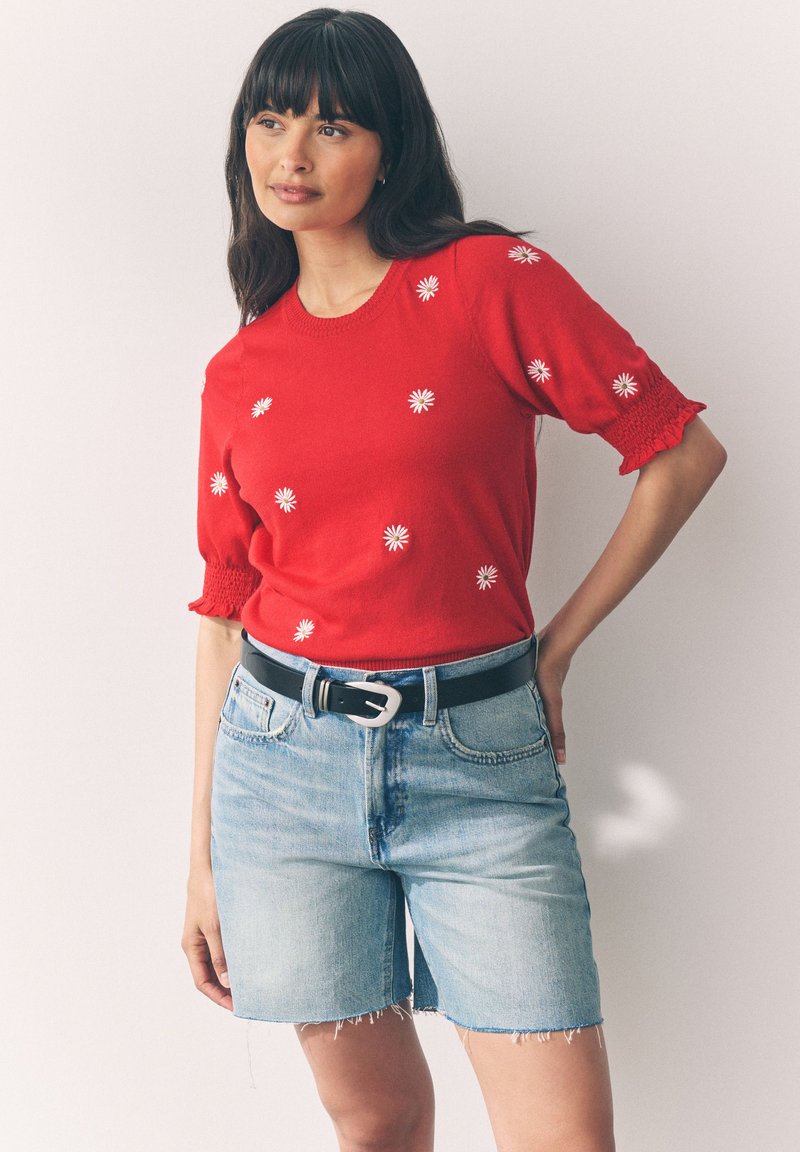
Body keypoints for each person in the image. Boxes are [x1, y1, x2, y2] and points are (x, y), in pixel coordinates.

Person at [181, 8, 727, 1151]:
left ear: (388, 147)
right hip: (281, 775)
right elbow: (227, 611)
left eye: (331, 126)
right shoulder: (240, 370)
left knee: (561, 1140)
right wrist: (202, 861)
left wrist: (556, 646)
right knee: (375, 1123)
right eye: (270, 120)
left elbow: (677, 452)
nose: (291, 155)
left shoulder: (488, 283)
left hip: (480, 761)